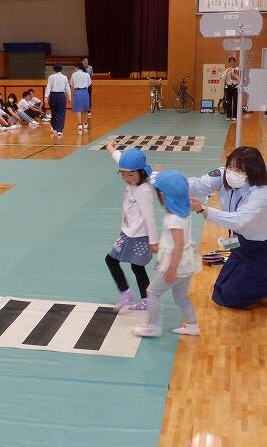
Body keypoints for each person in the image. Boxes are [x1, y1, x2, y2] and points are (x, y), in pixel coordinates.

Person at [187, 146, 267, 308]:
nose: (231, 172)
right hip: (242, 243)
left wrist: (202, 209)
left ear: (252, 172)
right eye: (230, 167)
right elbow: (198, 185)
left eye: (238, 170)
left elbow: (238, 220)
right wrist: (167, 182)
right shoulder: (223, 175)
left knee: (235, 297)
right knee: (222, 290)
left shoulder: (261, 194)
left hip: (265, 248)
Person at [133, 170, 200, 338]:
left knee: (152, 292)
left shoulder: (173, 219)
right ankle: (192, 325)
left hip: (177, 263)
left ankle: (154, 327)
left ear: (163, 196)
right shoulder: (185, 208)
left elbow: (178, 246)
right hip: (188, 262)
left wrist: (171, 269)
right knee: (181, 296)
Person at [105, 142, 158, 312]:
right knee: (137, 267)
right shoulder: (132, 177)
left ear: (141, 172)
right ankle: (146, 300)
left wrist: (154, 241)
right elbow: (120, 158)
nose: (127, 178)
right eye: (123, 174)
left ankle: (126, 292)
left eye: (130, 175)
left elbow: (150, 218)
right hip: (128, 233)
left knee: (111, 260)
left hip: (136, 235)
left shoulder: (143, 191)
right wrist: (110, 148)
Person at [44, 64, 71, 137]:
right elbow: (67, 88)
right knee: (61, 113)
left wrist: (46, 97)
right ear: (61, 69)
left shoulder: (51, 77)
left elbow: (48, 87)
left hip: (53, 96)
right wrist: (69, 97)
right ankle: (59, 130)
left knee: (54, 112)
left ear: (54, 69)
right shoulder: (64, 77)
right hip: (61, 96)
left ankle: (55, 127)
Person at [70, 62, 92, 133]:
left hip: (77, 91)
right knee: (85, 108)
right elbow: (89, 84)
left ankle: (79, 124)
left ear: (77, 67)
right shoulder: (87, 74)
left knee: (78, 109)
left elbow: (72, 84)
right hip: (85, 91)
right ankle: (85, 124)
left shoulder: (74, 74)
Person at [222, 56, 240, 122]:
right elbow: (223, 78)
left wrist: (234, 74)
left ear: (235, 62)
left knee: (235, 102)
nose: (232, 62)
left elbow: (240, 79)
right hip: (228, 87)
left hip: (235, 87)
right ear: (229, 62)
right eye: (230, 61)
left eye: (233, 61)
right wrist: (227, 72)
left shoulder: (238, 69)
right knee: (228, 102)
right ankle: (228, 116)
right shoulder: (227, 70)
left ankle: (234, 116)